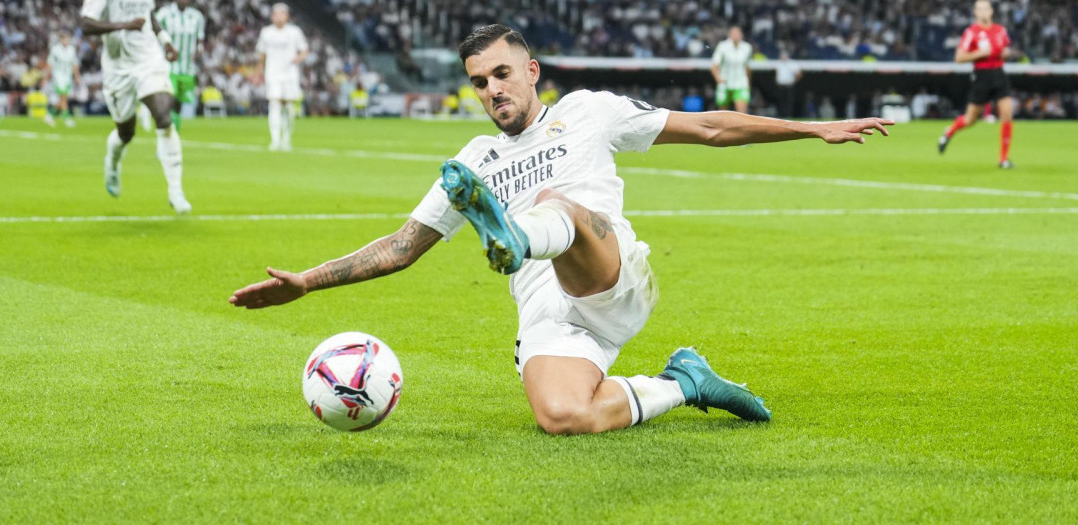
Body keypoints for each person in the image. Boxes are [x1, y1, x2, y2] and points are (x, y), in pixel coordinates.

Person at [229, 25, 893, 435]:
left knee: (558, 203)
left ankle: (520, 236)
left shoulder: (587, 112)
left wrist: (813, 126)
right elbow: (402, 247)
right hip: (551, 314)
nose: (491, 89)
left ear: (531, 72)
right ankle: (687, 381)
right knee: (562, 416)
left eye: (502, 74)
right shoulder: (473, 161)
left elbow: (711, 127)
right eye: (479, 81)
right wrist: (307, 283)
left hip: (609, 273)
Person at [81, 0, 192, 213]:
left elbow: (148, 15)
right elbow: (86, 25)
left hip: (148, 61)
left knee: (163, 117)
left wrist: (165, 40)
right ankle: (112, 163)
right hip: (117, 69)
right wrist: (124, 25)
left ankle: (176, 190)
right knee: (126, 132)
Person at [938, 0, 1015, 169]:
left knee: (1007, 113)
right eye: (979, 9)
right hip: (981, 76)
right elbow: (959, 58)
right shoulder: (971, 32)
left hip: (999, 74)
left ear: (991, 11)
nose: (983, 12)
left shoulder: (1000, 30)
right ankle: (949, 132)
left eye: (986, 8)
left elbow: (1006, 51)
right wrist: (980, 53)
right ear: (975, 13)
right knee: (970, 119)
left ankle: (1003, 159)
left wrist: (1006, 53)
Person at [253, 3, 307, 151]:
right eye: (276, 14)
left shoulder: (295, 32)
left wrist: (298, 58)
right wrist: (258, 73)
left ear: (287, 16)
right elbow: (262, 55)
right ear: (272, 16)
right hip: (273, 74)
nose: (279, 16)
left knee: (289, 107)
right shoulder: (266, 32)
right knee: (274, 104)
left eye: (282, 13)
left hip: (290, 74)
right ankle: (275, 140)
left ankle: (286, 138)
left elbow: (304, 50)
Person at [155, 0, 205, 131]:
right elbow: (154, 33)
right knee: (169, 97)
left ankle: (174, 128)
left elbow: (200, 39)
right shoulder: (163, 14)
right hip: (168, 66)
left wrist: (199, 50)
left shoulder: (197, 16)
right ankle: (166, 126)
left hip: (187, 67)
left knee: (178, 102)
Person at [711, 26, 752, 113]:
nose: (736, 36)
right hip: (725, 82)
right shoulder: (722, 46)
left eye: (738, 33)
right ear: (730, 35)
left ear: (741, 35)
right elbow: (714, 66)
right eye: (734, 33)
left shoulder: (747, 47)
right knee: (723, 114)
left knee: (742, 113)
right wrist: (718, 78)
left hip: (741, 83)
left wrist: (748, 81)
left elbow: (747, 67)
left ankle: (741, 126)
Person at [44, 32, 81, 128]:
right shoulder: (55, 50)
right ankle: (67, 118)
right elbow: (50, 64)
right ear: (61, 40)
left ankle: (50, 115)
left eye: (67, 39)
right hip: (58, 76)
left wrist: (77, 76)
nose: (65, 41)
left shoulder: (71, 50)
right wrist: (46, 77)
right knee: (63, 96)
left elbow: (74, 64)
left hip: (68, 77)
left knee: (63, 98)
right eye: (64, 39)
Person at [774, 50, 801, 118]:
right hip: (781, 86)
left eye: (784, 55)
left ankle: (788, 116)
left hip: (788, 86)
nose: (782, 57)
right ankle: (780, 116)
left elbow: (799, 74)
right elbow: (777, 73)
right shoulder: (779, 63)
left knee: (789, 102)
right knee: (780, 101)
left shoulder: (792, 64)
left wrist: (793, 82)